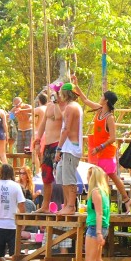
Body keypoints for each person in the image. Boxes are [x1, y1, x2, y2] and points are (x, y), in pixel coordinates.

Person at [71, 80, 131, 213]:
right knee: (100, 178)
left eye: (102, 96)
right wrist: (76, 86)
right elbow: (86, 100)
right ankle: (116, 202)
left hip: (106, 152)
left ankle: (123, 200)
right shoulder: (99, 110)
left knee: (108, 178)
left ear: (106, 100)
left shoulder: (109, 118)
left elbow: (113, 138)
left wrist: (99, 147)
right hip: (97, 152)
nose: (100, 98)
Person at [80, 165, 123, 261]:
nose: (87, 178)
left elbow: (99, 213)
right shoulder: (103, 192)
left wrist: (98, 233)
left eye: (88, 176)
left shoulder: (95, 192)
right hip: (101, 226)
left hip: (95, 228)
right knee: (97, 260)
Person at [0, 163, 26, 261]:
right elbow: (21, 205)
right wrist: (22, 222)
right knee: (15, 252)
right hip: (12, 224)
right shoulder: (16, 186)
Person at [54, 83, 84, 215]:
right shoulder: (70, 107)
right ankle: (67, 205)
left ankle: (71, 206)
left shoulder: (71, 108)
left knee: (69, 178)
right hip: (67, 148)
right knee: (61, 177)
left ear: (65, 93)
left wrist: (58, 149)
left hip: (71, 147)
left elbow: (66, 129)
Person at [35, 92, 62, 213]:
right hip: (47, 144)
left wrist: (57, 102)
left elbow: (59, 118)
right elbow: (43, 124)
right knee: (46, 175)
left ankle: (65, 205)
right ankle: (45, 206)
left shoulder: (65, 106)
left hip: (58, 143)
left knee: (60, 176)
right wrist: (37, 140)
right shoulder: (49, 106)